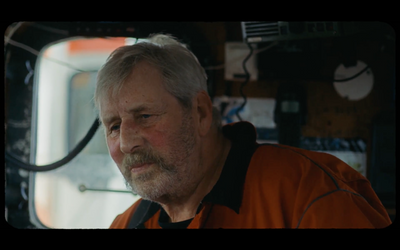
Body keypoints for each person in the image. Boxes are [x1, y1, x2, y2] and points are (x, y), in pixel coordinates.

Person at [94, 33, 392, 229]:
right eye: (114, 126)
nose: (127, 142)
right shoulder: (126, 224)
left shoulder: (309, 192)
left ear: (199, 112)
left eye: (144, 116)